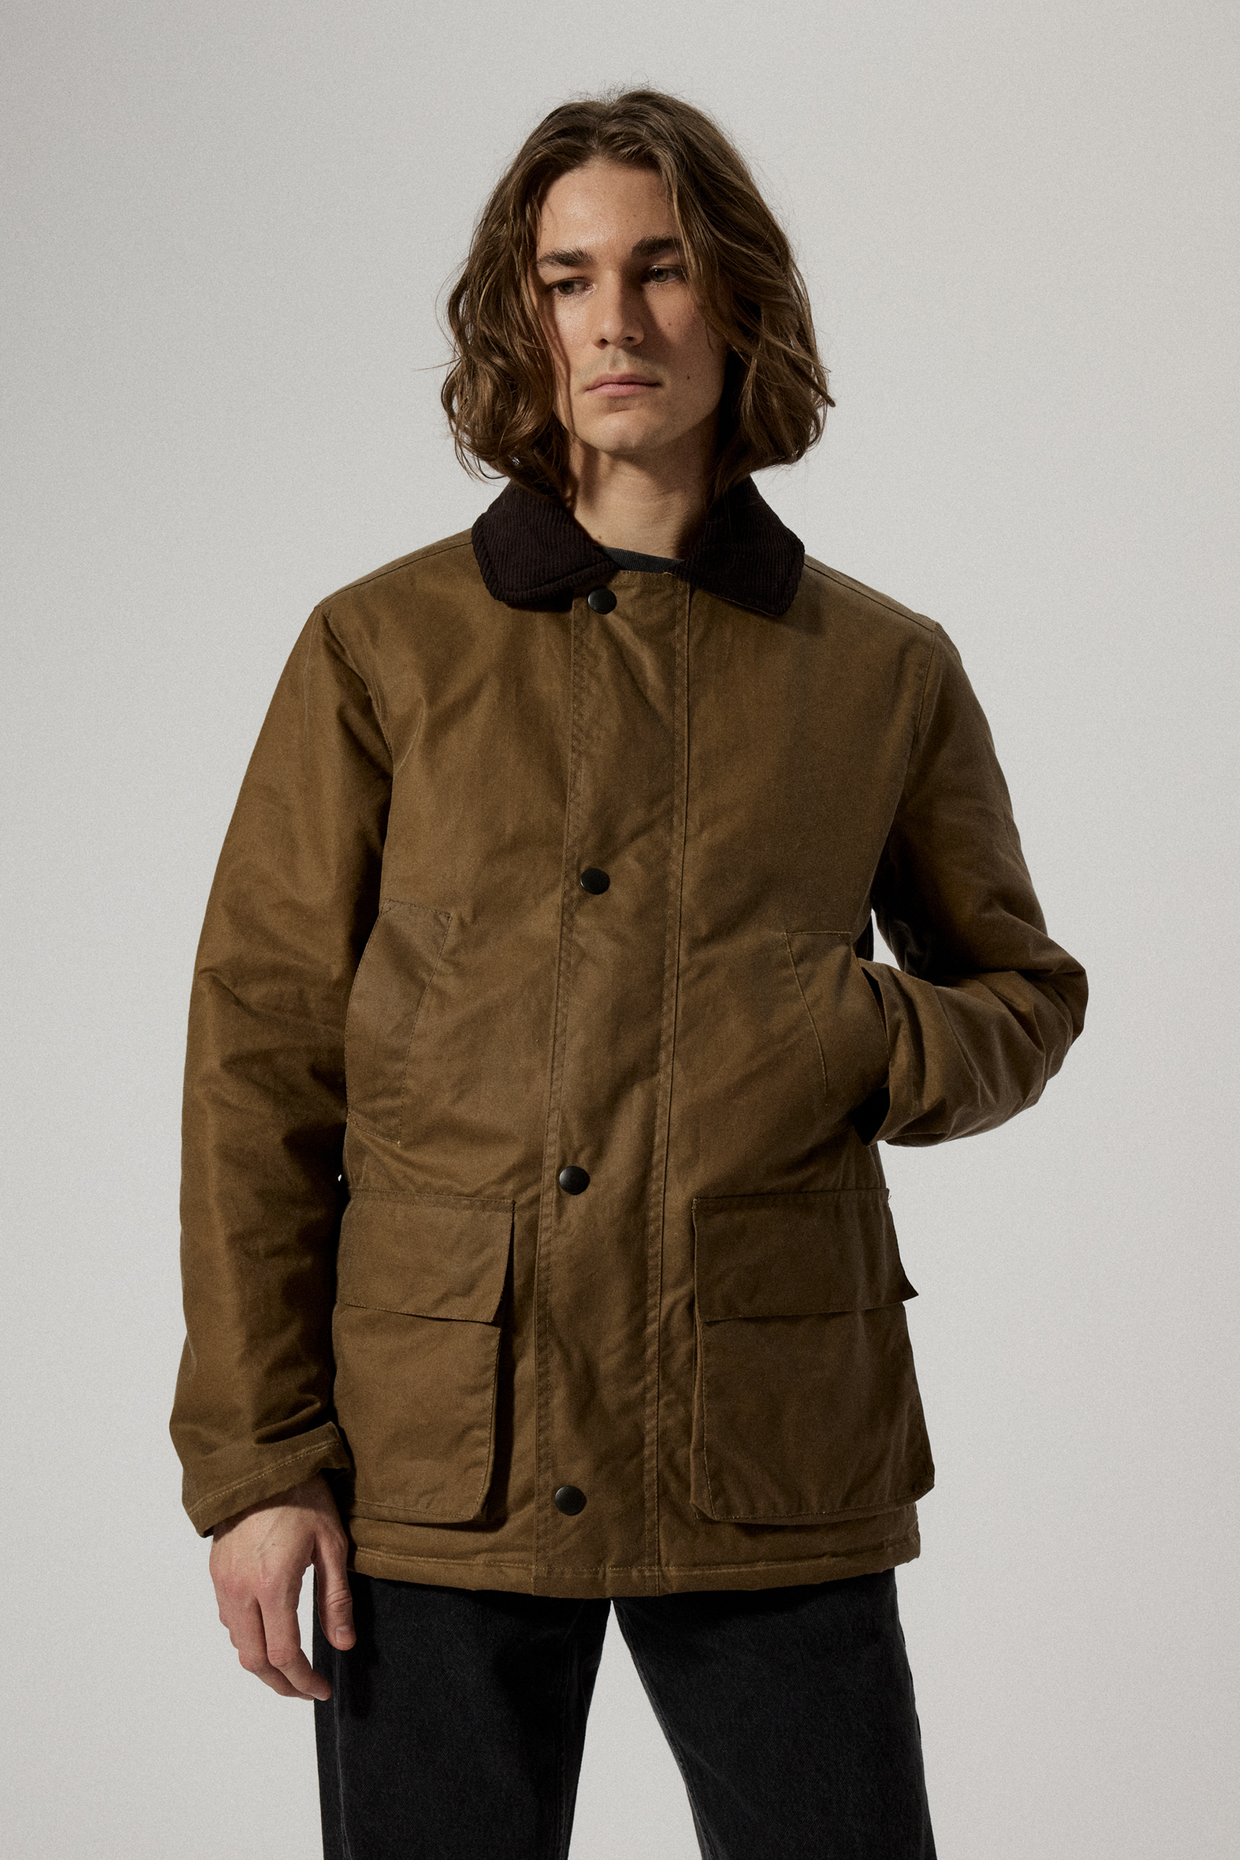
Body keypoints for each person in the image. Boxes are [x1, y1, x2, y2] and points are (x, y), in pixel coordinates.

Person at [172, 89, 1086, 1860]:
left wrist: (853, 1033)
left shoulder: (880, 669)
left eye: (660, 269)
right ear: (521, 319)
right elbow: (261, 1062)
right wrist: (260, 1465)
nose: (615, 321)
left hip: (765, 1437)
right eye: (567, 277)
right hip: (439, 1451)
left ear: (735, 300)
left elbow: (1021, 997)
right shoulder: (383, 649)